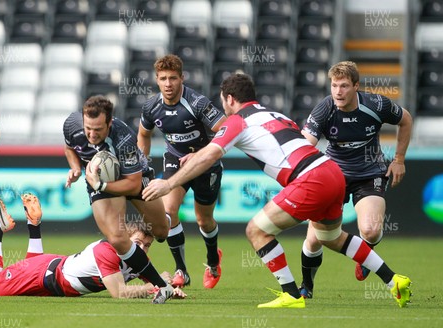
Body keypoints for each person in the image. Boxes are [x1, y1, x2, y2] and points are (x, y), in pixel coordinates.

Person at [142, 73, 412, 308]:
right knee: (330, 237)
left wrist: (168, 183)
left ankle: (291, 294)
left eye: (223, 101)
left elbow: (211, 155)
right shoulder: (273, 114)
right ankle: (393, 280)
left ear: (229, 99)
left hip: (310, 178)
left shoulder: (237, 121)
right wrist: (201, 153)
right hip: (331, 171)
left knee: (256, 230)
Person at [299, 61, 413, 296]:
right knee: (314, 240)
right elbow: (305, 144)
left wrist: (399, 159)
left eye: (344, 86)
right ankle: (307, 287)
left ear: (356, 87)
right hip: (333, 176)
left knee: (370, 230)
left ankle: (365, 255)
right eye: (334, 86)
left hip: (369, 174)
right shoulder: (324, 109)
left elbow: (406, 120)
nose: (338, 92)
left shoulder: (376, 104)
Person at [63, 95, 174, 303]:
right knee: (117, 238)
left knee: (161, 232)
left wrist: (101, 185)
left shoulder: (124, 138)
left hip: (132, 177)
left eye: (98, 129)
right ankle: (162, 286)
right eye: (88, 128)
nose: (91, 134)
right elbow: (69, 148)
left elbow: (132, 184)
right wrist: (76, 167)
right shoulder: (71, 124)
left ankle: (166, 217)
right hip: (100, 180)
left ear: (109, 123)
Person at [0, 193, 187, 300]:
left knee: (25, 270)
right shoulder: (107, 251)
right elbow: (119, 293)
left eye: (147, 245)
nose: (141, 249)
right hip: (44, 274)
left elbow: (156, 280)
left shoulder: (137, 258)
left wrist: (168, 288)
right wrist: (154, 287)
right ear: (125, 238)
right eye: (138, 243)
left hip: (51, 275)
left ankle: (34, 225)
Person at [137, 54, 226, 289]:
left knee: (203, 220)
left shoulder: (196, 102)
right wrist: (141, 165)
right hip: (175, 162)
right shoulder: (151, 107)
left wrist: (199, 155)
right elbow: (143, 135)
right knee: (169, 210)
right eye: (163, 79)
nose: (168, 84)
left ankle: (213, 262)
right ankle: (182, 271)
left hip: (206, 165)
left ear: (182, 78)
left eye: (173, 78)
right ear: (157, 80)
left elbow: (226, 129)